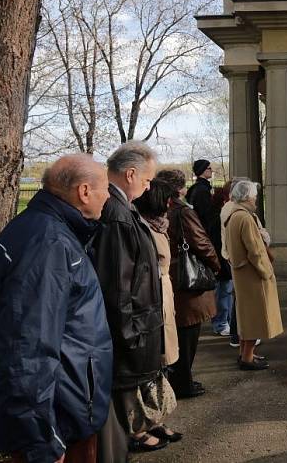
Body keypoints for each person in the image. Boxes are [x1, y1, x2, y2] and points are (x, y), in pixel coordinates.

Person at [0, 154, 113, 463]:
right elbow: (27, 347)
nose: (107, 196)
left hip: (66, 408)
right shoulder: (49, 243)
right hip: (57, 422)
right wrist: (42, 438)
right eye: (104, 188)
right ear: (84, 192)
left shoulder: (51, 231)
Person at [91, 141, 169, 455]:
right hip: (129, 331)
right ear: (131, 174)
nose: (148, 186)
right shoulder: (116, 211)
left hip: (134, 326)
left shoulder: (120, 207)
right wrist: (130, 335)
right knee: (120, 421)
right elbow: (117, 285)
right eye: (147, 180)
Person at [157, 169, 220, 399]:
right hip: (187, 281)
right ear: (179, 187)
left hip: (171, 277)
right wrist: (216, 264)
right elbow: (201, 242)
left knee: (177, 335)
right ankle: (183, 383)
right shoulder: (182, 211)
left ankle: (180, 380)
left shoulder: (159, 207)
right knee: (188, 335)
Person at [132, 178, 183, 445]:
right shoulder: (143, 228)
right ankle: (142, 427)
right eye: (165, 199)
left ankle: (157, 419)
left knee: (161, 367)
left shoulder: (157, 225)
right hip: (152, 300)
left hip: (163, 296)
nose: (169, 204)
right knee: (151, 366)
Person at [224, 180, 284, 370]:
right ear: (247, 197)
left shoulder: (233, 215)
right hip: (251, 275)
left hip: (242, 273)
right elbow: (256, 250)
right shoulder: (245, 218)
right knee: (254, 317)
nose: (256, 200)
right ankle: (247, 357)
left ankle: (245, 354)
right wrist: (266, 272)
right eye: (254, 196)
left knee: (245, 316)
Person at [209, 181, 235, 336]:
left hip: (223, 258)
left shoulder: (221, 211)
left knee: (225, 292)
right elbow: (218, 240)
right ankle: (220, 323)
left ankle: (224, 321)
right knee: (223, 292)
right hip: (221, 259)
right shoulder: (220, 214)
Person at [186, 159, 213, 230]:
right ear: (203, 170)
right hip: (204, 230)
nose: (211, 170)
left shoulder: (198, 187)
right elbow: (206, 215)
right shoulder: (202, 190)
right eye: (209, 168)